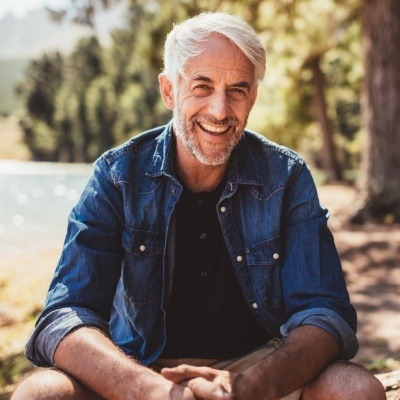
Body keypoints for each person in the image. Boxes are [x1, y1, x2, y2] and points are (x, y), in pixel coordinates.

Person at [12, 12, 384, 400]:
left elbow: (325, 313)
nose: (220, 111)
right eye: (202, 86)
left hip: (259, 369)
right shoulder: (118, 175)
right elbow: (65, 315)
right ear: (169, 90)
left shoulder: (286, 177)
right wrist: (152, 391)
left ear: (252, 97)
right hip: (139, 369)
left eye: (237, 90)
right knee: (42, 393)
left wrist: (247, 387)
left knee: (353, 389)